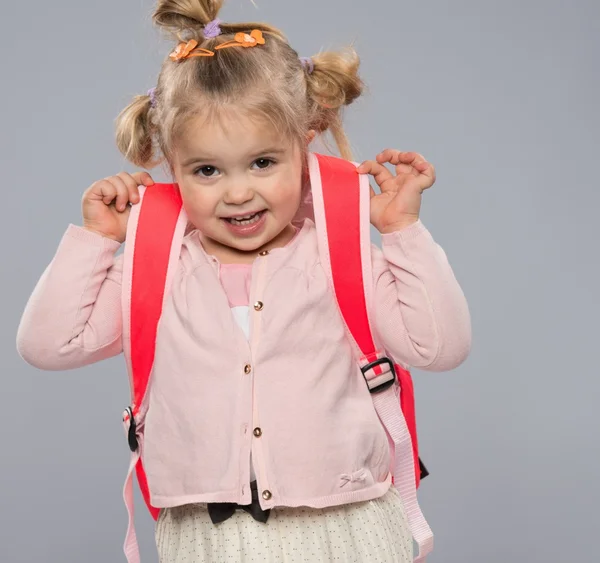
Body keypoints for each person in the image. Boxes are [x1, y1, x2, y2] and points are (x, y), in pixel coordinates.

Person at [17, 1, 472, 561]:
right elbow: (47, 344)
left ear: (307, 144)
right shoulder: (159, 267)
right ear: (170, 164)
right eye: (207, 170)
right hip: (208, 539)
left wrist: (402, 231)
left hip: (345, 530)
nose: (236, 193)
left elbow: (440, 347)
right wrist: (98, 241)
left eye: (262, 163)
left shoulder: (337, 257)